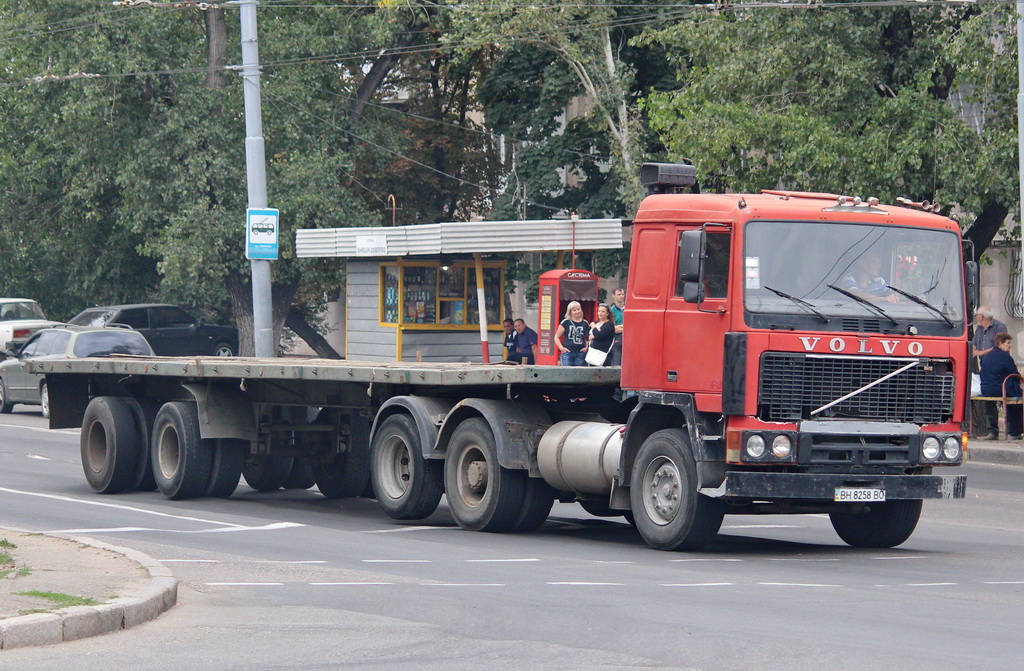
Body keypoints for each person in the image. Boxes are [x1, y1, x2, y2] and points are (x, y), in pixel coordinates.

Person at [979, 332, 1023, 440]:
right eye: (1008, 343)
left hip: (986, 389)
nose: (1010, 345)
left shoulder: (986, 356)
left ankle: (992, 431)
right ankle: (1014, 432)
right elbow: (1014, 374)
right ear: (1000, 344)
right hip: (1000, 388)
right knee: (1016, 398)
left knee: (990, 404)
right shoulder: (1005, 357)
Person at [555, 301, 589, 366]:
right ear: (570, 312)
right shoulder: (566, 322)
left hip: (580, 353)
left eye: (578, 309)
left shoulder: (585, 323)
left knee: (579, 372)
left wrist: (586, 347)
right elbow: (556, 337)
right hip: (568, 353)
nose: (577, 312)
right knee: (567, 372)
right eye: (574, 310)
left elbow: (587, 337)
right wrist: (561, 348)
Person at [607, 287, 626, 366]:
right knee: (616, 360)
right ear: (613, 296)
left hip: (628, 338)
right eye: (619, 294)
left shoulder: (628, 309)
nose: (621, 296)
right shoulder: (610, 310)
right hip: (616, 338)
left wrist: (620, 327)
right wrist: (625, 327)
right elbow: (611, 329)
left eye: (622, 294)